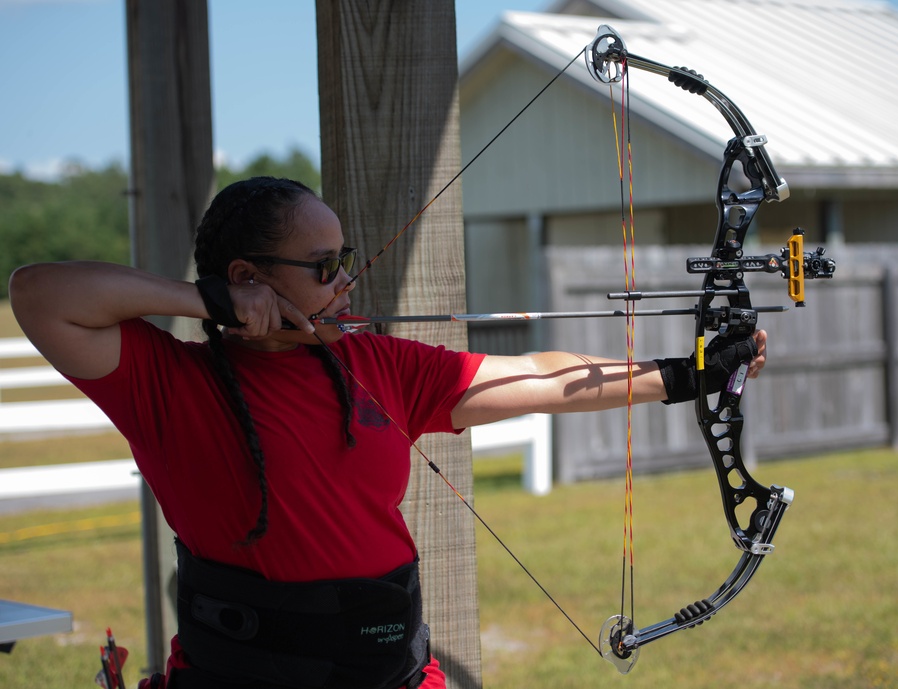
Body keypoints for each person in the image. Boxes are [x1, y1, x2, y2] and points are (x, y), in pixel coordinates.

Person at [8, 176, 766, 689]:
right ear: (246, 275)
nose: (347, 281)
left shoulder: (376, 362)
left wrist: (683, 373)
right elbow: (39, 294)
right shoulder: (168, 381)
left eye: (347, 260)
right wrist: (199, 298)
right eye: (326, 265)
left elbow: (539, 376)